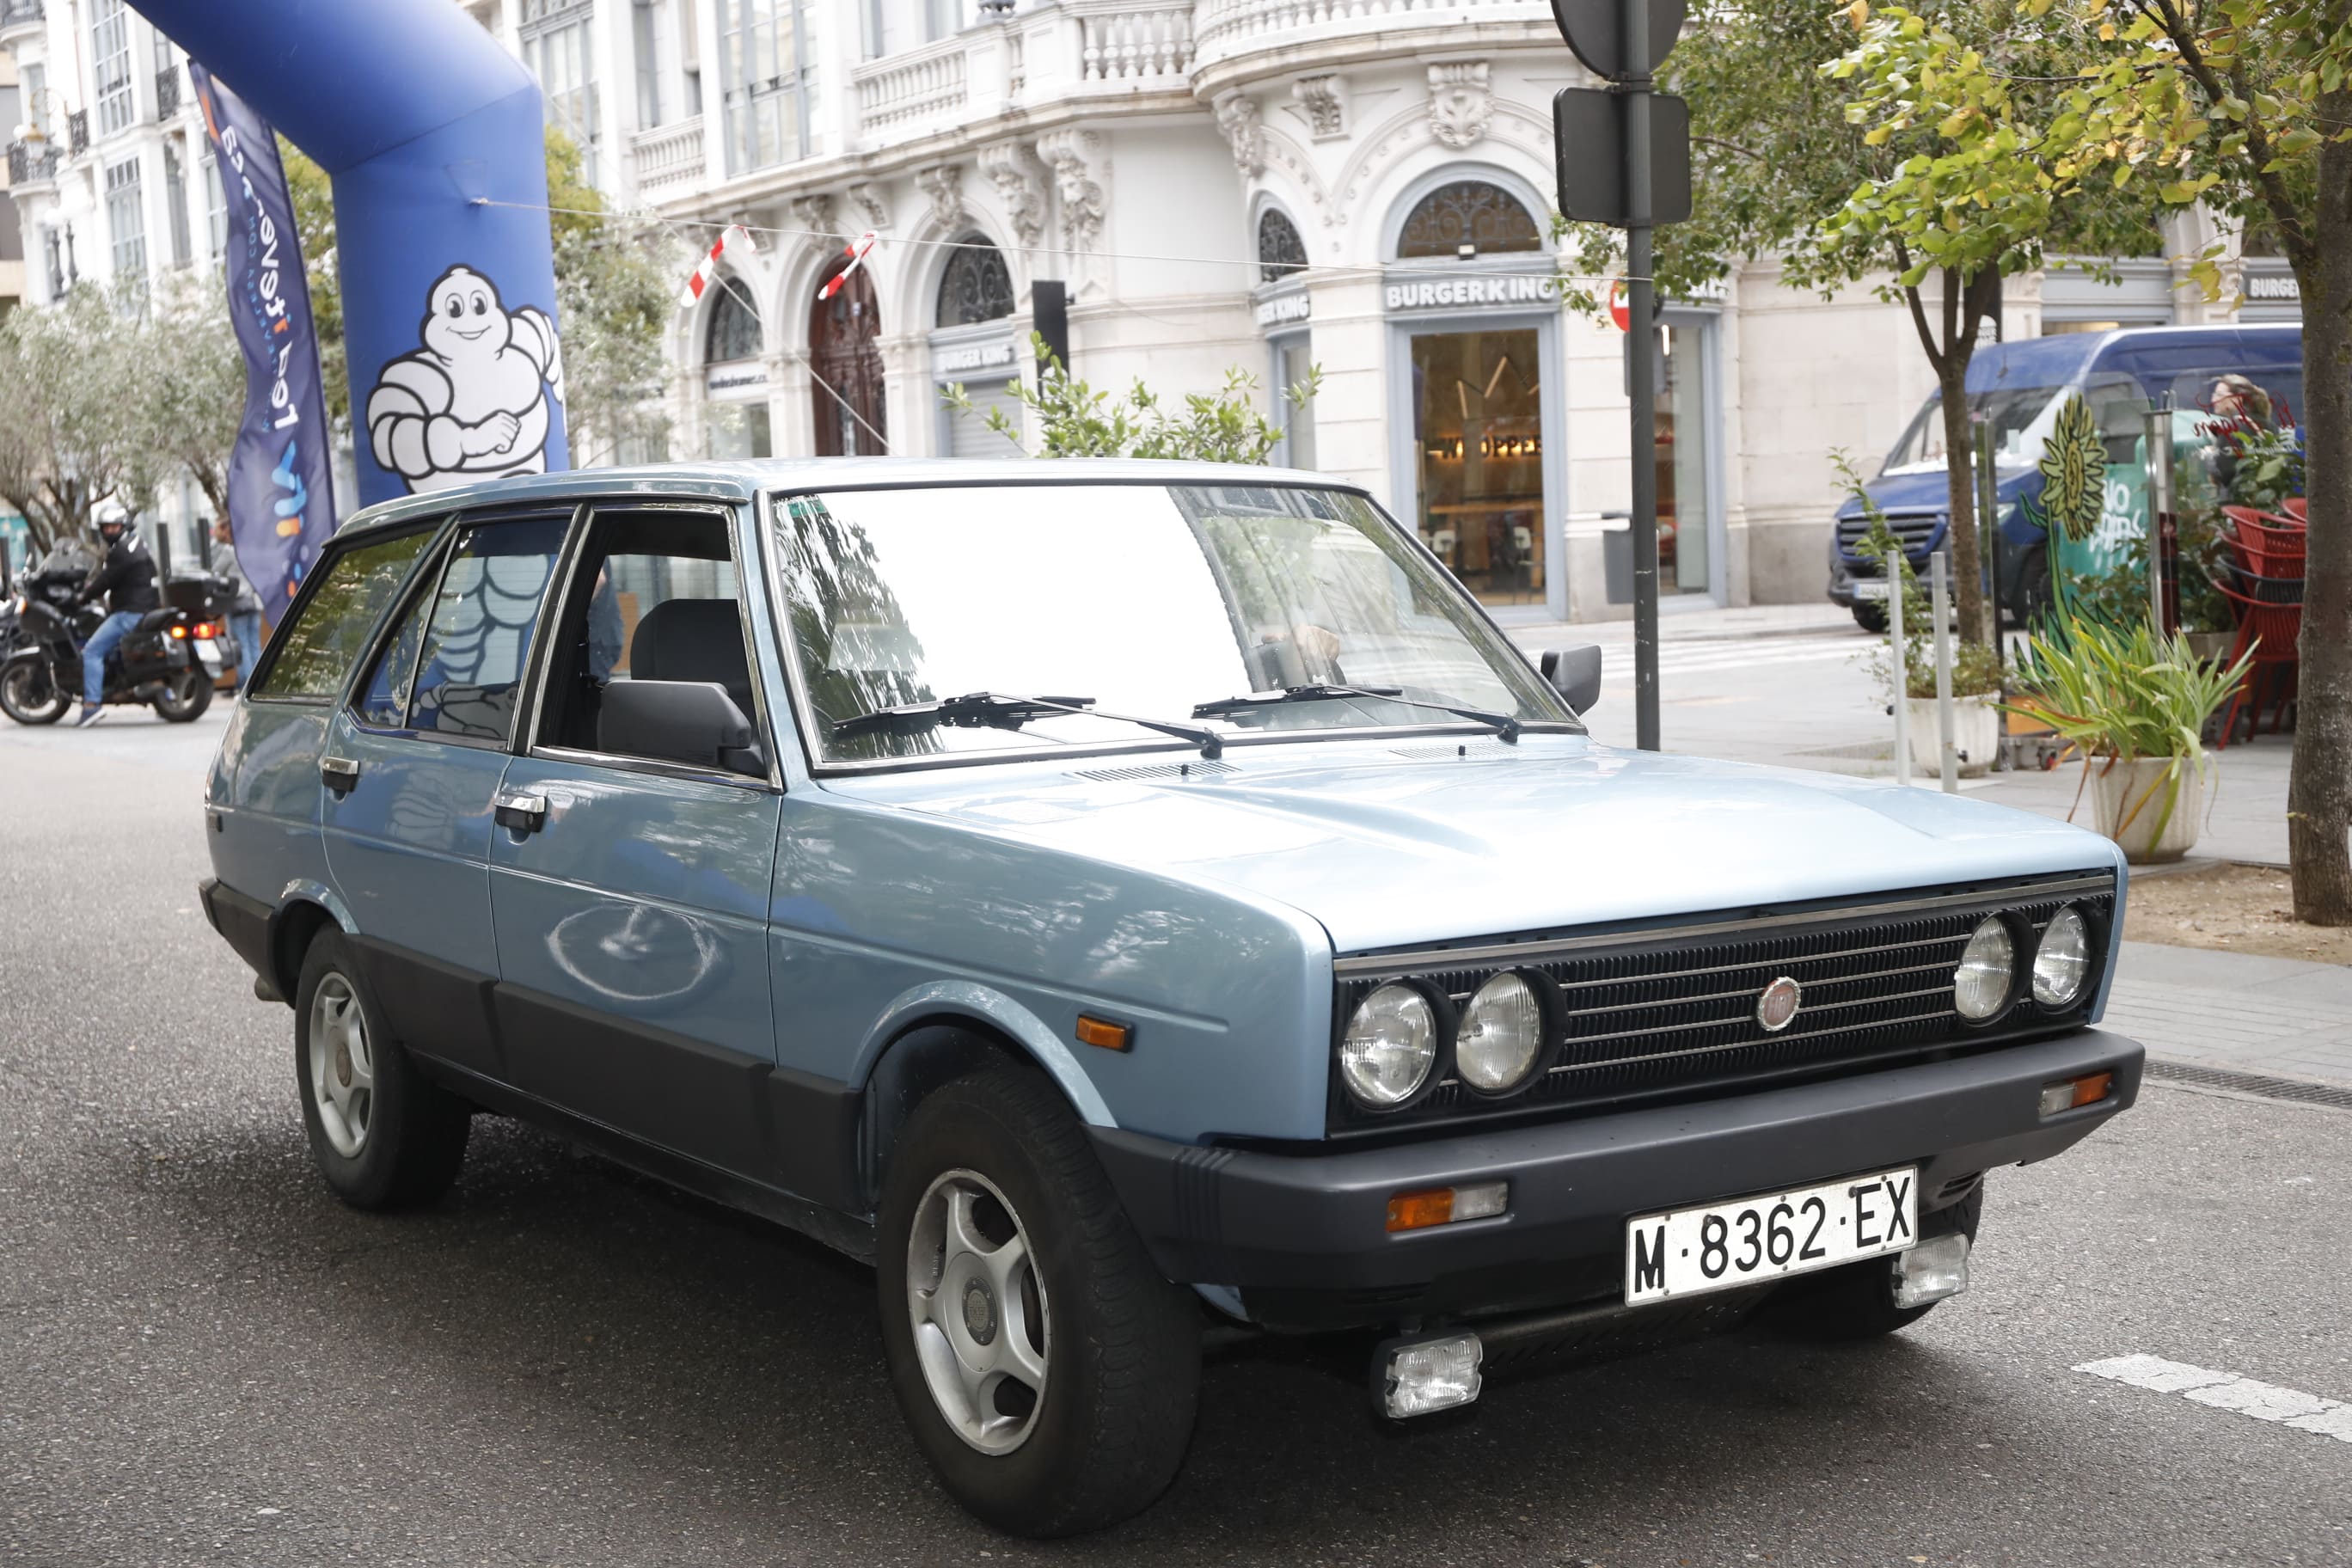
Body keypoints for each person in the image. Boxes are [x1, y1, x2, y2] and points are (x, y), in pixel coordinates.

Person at [75, 506, 160, 726]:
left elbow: (106, 581)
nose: (110, 531)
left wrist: (83, 596)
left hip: (129, 612)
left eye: (114, 527)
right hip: (147, 608)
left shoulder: (120, 552)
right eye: (107, 527)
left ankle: (91, 706)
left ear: (123, 526)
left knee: (92, 651)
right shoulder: (138, 544)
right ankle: (165, 694)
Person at [209, 520, 265, 691]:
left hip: (237, 603)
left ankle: (245, 685)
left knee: (241, 646)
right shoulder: (252, 551)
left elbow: (215, 571)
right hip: (254, 602)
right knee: (254, 644)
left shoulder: (229, 551)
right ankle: (259, 682)